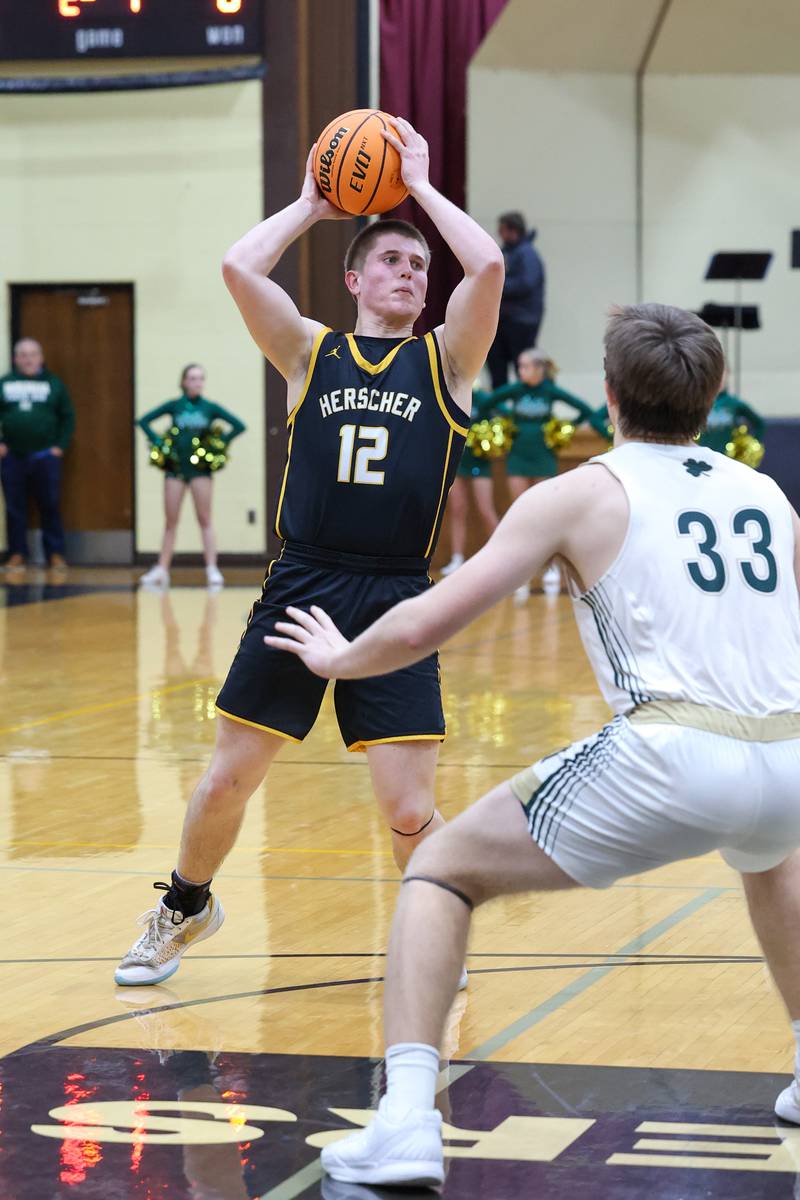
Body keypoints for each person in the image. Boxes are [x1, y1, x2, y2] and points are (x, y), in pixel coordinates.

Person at [266, 303, 800, 1188]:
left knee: (438, 868)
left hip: (675, 750)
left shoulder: (581, 490)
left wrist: (341, 656)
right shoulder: (766, 494)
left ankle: (405, 1118)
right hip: (790, 754)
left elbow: (428, 622)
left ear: (608, 397)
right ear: (714, 397)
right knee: (773, 857)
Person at [113, 117, 504, 987]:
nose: (411, 274)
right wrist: (310, 203)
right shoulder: (308, 352)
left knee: (408, 811)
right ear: (354, 277)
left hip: (400, 596)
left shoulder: (448, 359)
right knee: (225, 782)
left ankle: (437, 934)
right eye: (394, 261)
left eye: (418, 267)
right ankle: (185, 905)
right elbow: (238, 267)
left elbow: (486, 267)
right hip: (303, 585)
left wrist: (422, 185)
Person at [493, 348, 602, 598]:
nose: (520, 371)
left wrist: (563, 428)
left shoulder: (550, 392)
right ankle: (519, 571)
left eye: (525, 366)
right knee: (519, 512)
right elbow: (488, 403)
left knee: (547, 515)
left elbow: (585, 409)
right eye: (519, 366)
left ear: (539, 369)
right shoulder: (515, 391)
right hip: (518, 457)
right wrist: (508, 421)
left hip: (543, 458)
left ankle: (551, 568)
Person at [137, 364, 246, 590]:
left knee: (204, 519)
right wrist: (157, 441)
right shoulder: (175, 405)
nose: (197, 382)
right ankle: (162, 568)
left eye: (200, 379)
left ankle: (212, 568)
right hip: (175, 469)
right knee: (170, 521)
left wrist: (220, 443)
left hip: (200, 472)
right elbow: (143, 421)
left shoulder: (209, 407)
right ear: (184, 381)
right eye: (193, 378)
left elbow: (238, 426)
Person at [0, 338, 74, 572]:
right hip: (13, 456)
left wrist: (59, 446)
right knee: (14, 507)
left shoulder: (53, 383)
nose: (28, 359)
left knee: (50, 504)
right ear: (15, 359)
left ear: (41, 357)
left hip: (45, 456)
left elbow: (68, 416)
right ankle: (17, 554)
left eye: (33, 354)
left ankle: (55, 554)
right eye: (23, 354)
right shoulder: (5, 383)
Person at [439, 387, 499, 576]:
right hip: (458, 460)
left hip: (480, 462)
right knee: (457, 509)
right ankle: (457, 558)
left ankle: (501, 557)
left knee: (485, 510)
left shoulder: (483, 398)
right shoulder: (452, 394)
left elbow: (504, 415)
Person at [486, 211, 545, 389]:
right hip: (503, 320)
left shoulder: (527, 254)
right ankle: (499, 412)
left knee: (524, 369)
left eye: (502, 229)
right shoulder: (506, 252)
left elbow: (526, 283)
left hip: (521, 322)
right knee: (496, 365)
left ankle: (525, 411)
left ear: (513, 230)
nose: (499, 233)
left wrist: (497, 284)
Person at [699, 374, 766, 454]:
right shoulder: (701, 402)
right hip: (704, 454)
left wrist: (752, 444)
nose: (718, 381)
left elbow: (759, 423)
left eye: (721, 377)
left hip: (727, 455)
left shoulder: (733, 403)